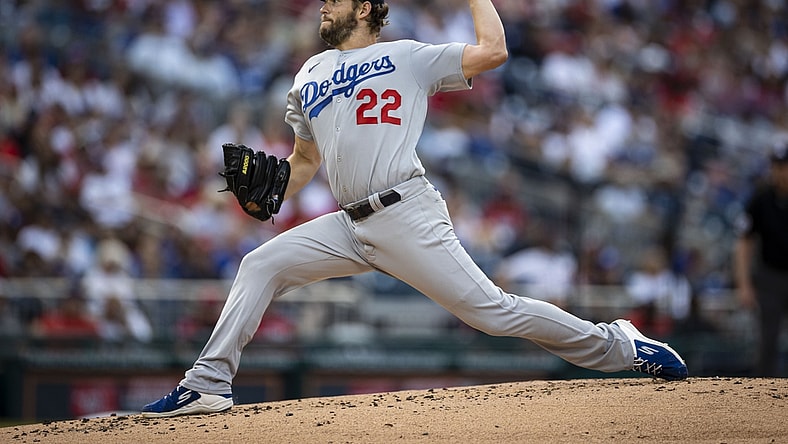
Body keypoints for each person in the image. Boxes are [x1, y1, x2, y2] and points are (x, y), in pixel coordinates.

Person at [142, 0, 687, 418]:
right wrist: (271, 188)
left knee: (492, 314)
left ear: (363, 8)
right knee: (260, 263)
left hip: (406, 212)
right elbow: (303, 162)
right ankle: (208, 385)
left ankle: (622, 344)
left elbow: (493, 50)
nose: (323, 6)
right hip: (347, 224)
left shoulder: (407, 55)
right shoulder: (308, 73)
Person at [733, 142, 788, 377]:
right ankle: (765, 399)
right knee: (767, 338)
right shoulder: (761, 200)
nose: (782, 172)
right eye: (778, 166)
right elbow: (744, 242)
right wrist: (744, 284)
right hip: (770, 276)